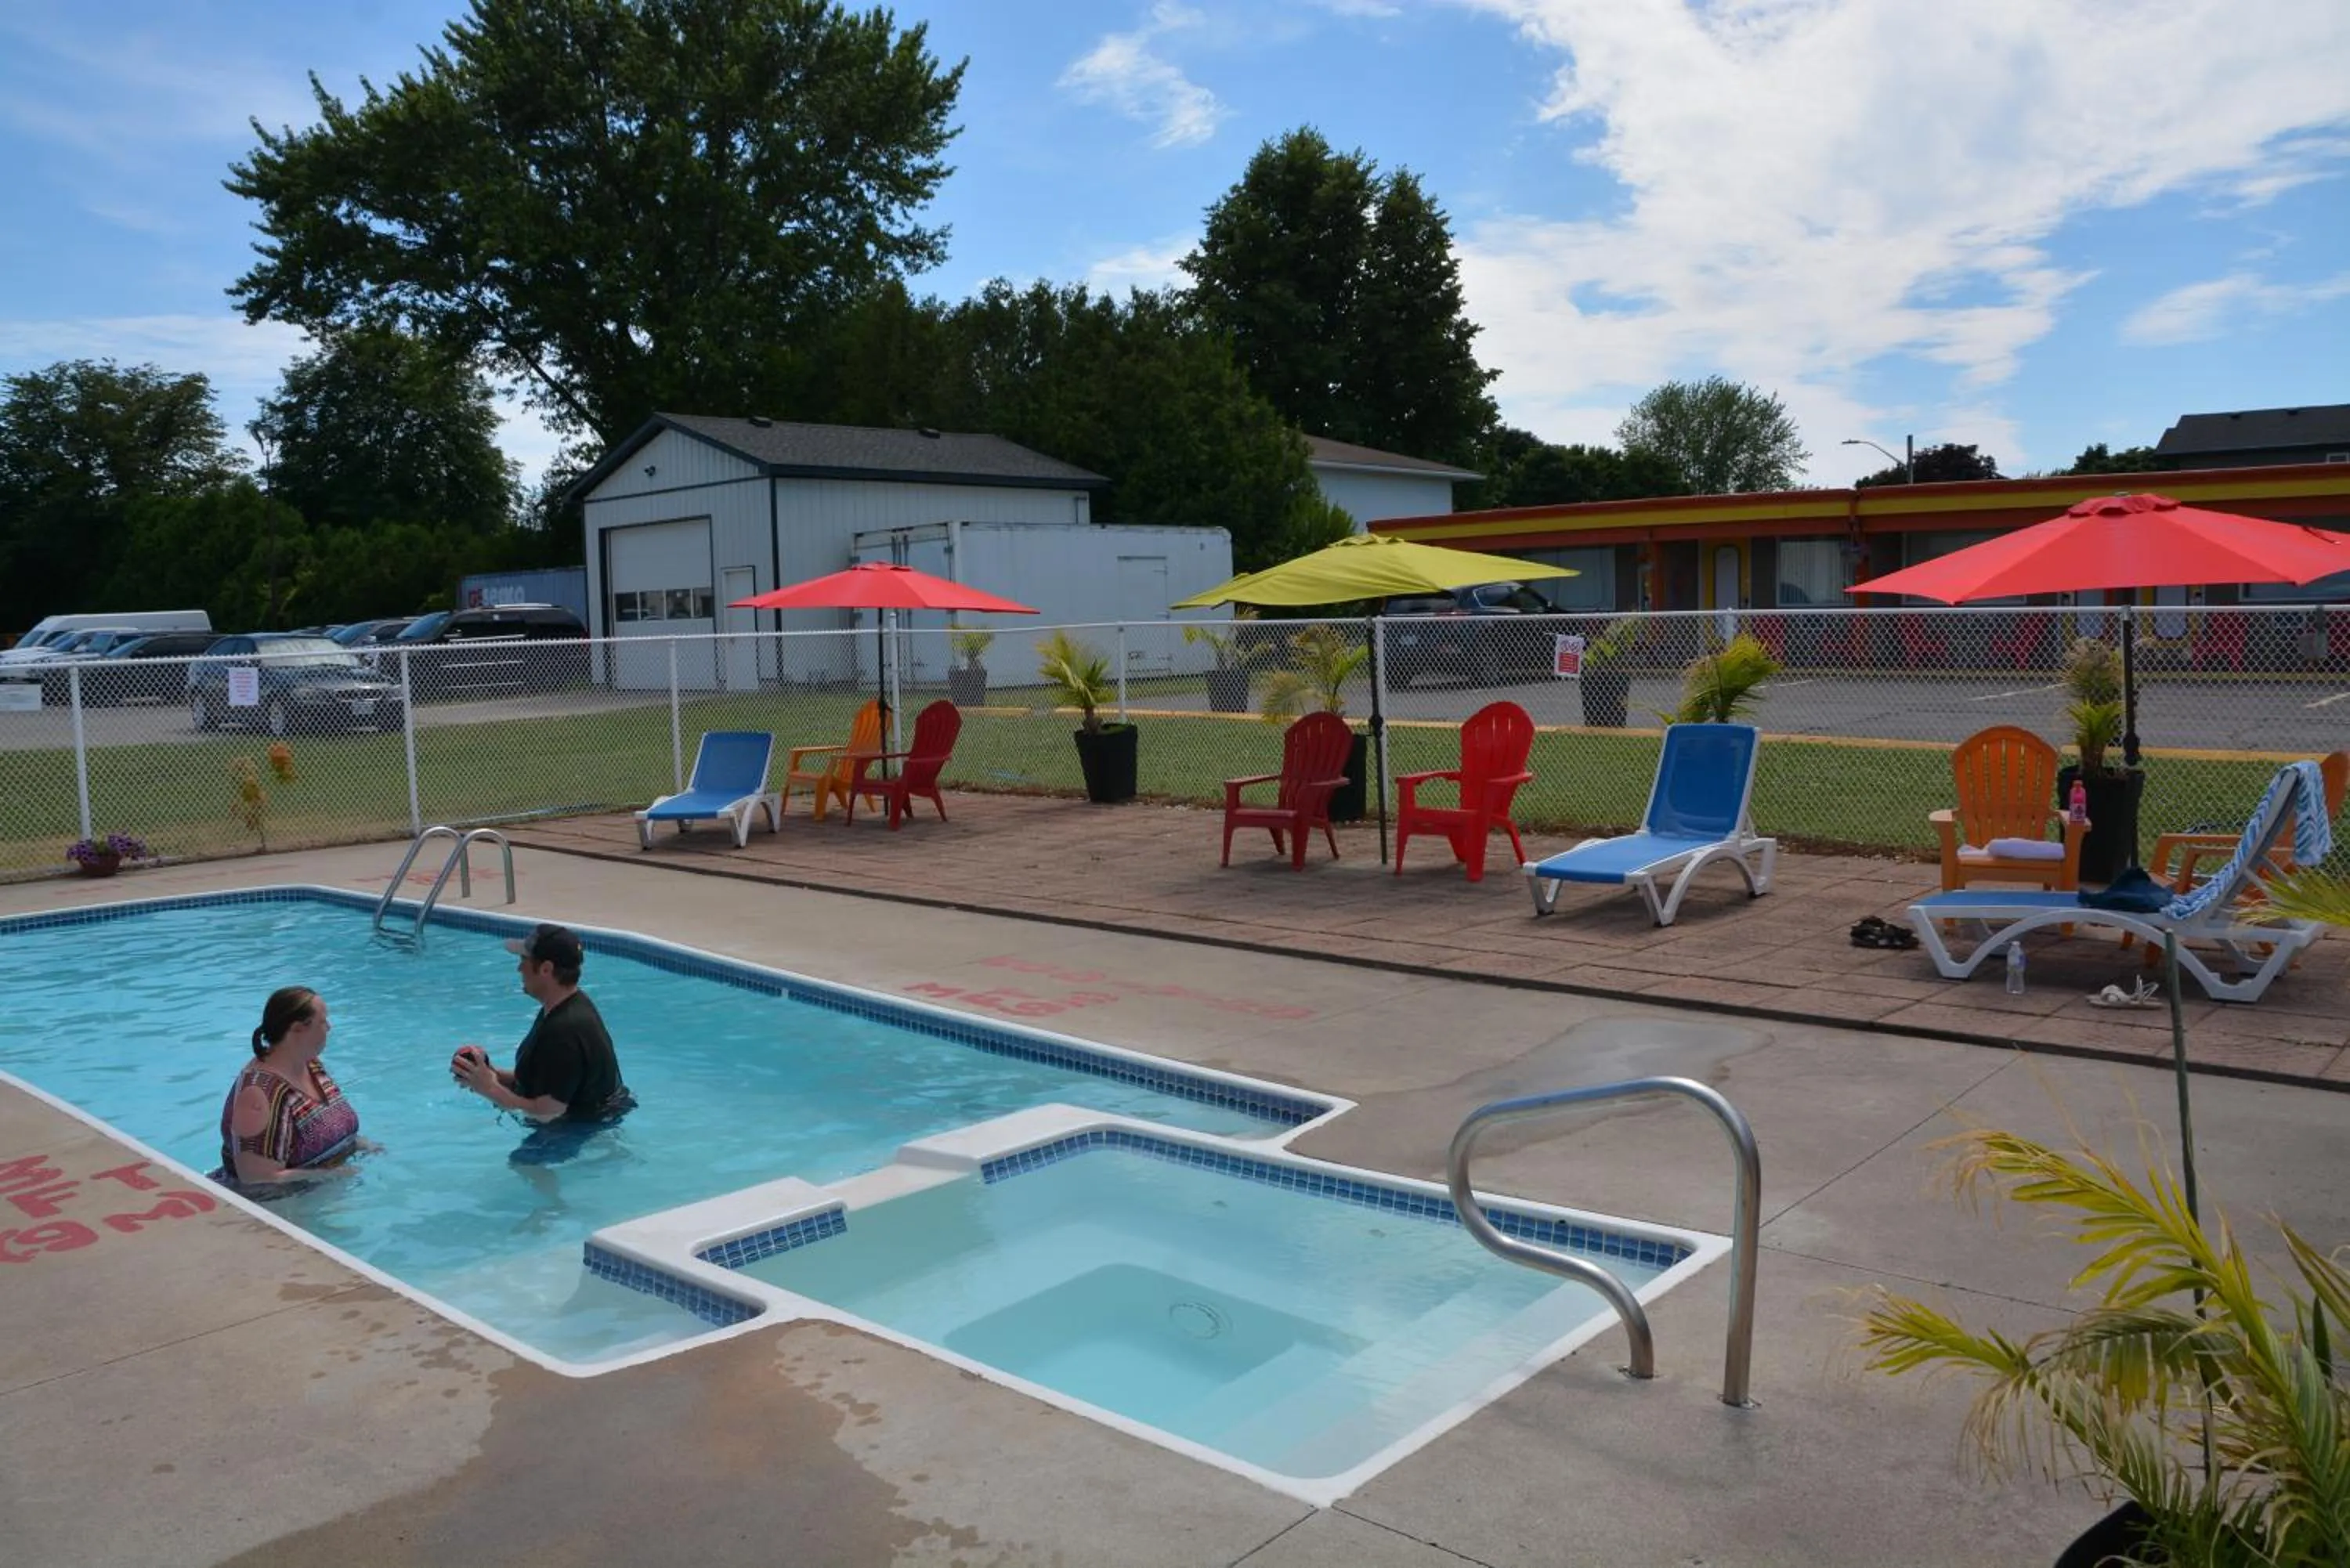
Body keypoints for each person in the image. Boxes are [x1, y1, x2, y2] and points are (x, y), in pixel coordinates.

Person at [453, 923, 634, 1165]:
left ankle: (556, 1205)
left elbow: (548, 1112)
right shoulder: (564, 1006)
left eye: (524, 960)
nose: (519, 968)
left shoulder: (564, 1030)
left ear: (546, 969)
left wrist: (490, 1089)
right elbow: (549, 1078)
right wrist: (491, 1074)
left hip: (584, 1123)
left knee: (523, 1163)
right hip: (597, 1108)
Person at [211, 986, 363, 1190]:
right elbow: (255, 1179)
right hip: (275, 1206)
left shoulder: (310, 1064)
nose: (329, 1027)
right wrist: (328, 1175)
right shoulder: (259, 1093)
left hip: (320, 1190)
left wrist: (359, 1145)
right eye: (322, 1021)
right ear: (297, 1029)